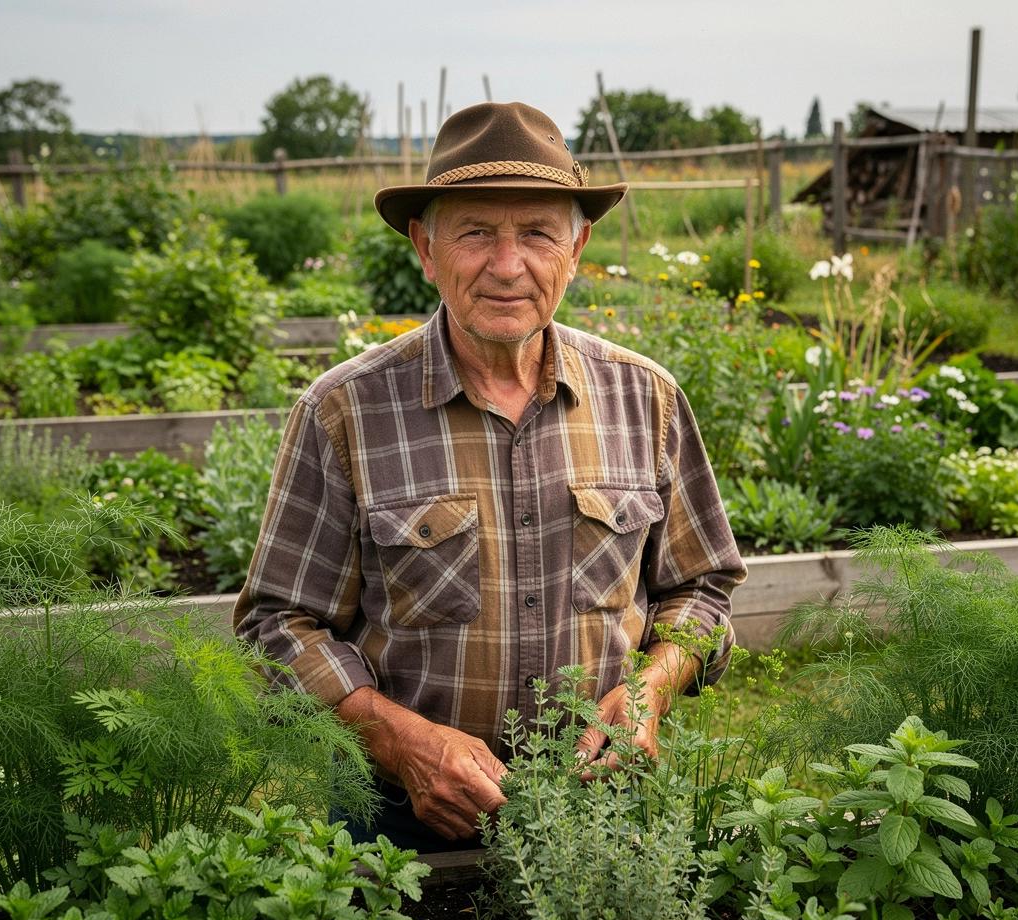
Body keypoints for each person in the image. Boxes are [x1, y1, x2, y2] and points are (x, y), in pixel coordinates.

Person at [233, 101, 746, 852]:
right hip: (402, 824)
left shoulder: (646, 399)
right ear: (426, 247)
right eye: (476, 232)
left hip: (605, 816)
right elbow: (274, 625)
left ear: (576, 249)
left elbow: (701, 589)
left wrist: (649, 692)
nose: (508, 266)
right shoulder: (345, 410)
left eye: (538, 233)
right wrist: (401, 743)